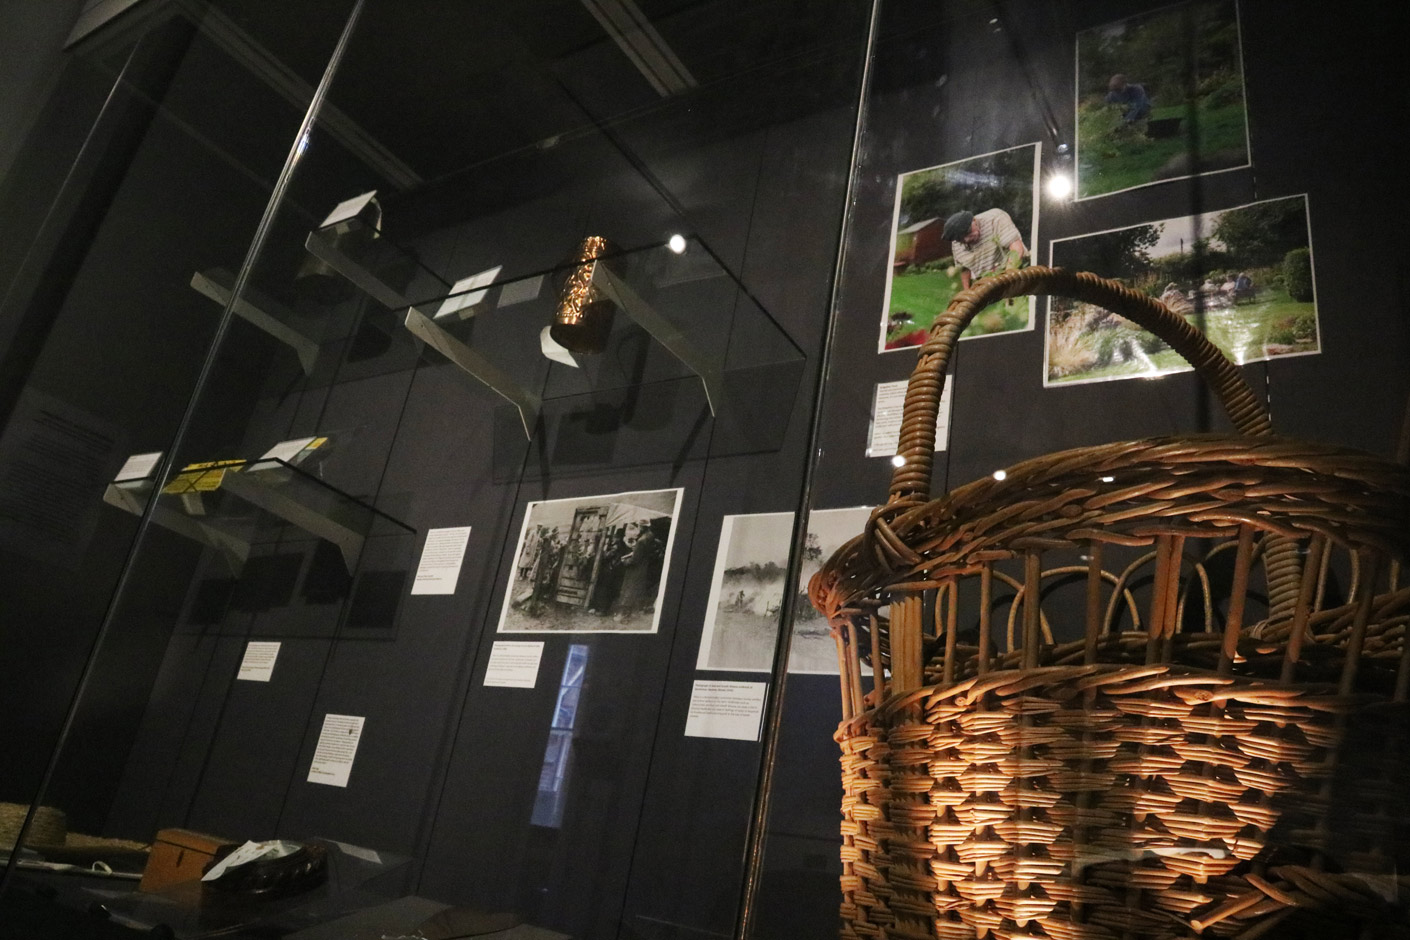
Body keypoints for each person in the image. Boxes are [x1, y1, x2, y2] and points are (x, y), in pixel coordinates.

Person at [941, 208, 1028, 291]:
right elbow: (964, 269)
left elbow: (1016, 249)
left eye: (968, 232)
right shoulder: (956, 242)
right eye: (961, 239)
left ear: (974, 220)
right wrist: (967, 292)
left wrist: (1007, 281)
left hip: (1019, 273)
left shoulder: (995, 218)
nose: (967, 240)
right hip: (989, 285)